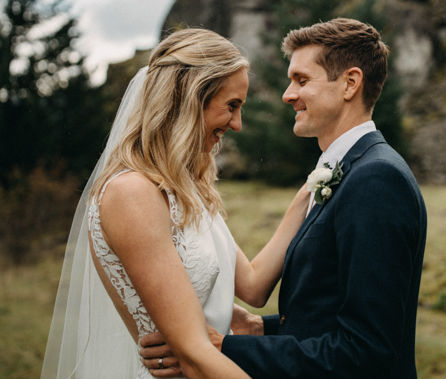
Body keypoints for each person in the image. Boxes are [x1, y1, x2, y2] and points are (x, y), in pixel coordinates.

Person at [141, 18, 427, 378]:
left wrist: (224, 349)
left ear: (350, 84)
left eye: (302, 80)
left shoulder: (376, 179)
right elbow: (330, 309)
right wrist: (264, 329)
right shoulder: (350, 171)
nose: (288, 94)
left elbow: (368, 351)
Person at [41, 28, 309, 379]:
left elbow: (254, 286)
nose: (237, 124)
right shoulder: (130, 194)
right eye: (231, 106)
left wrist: (311, 190)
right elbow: (193, 352)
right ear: (190, 97)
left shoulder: (188, 191)